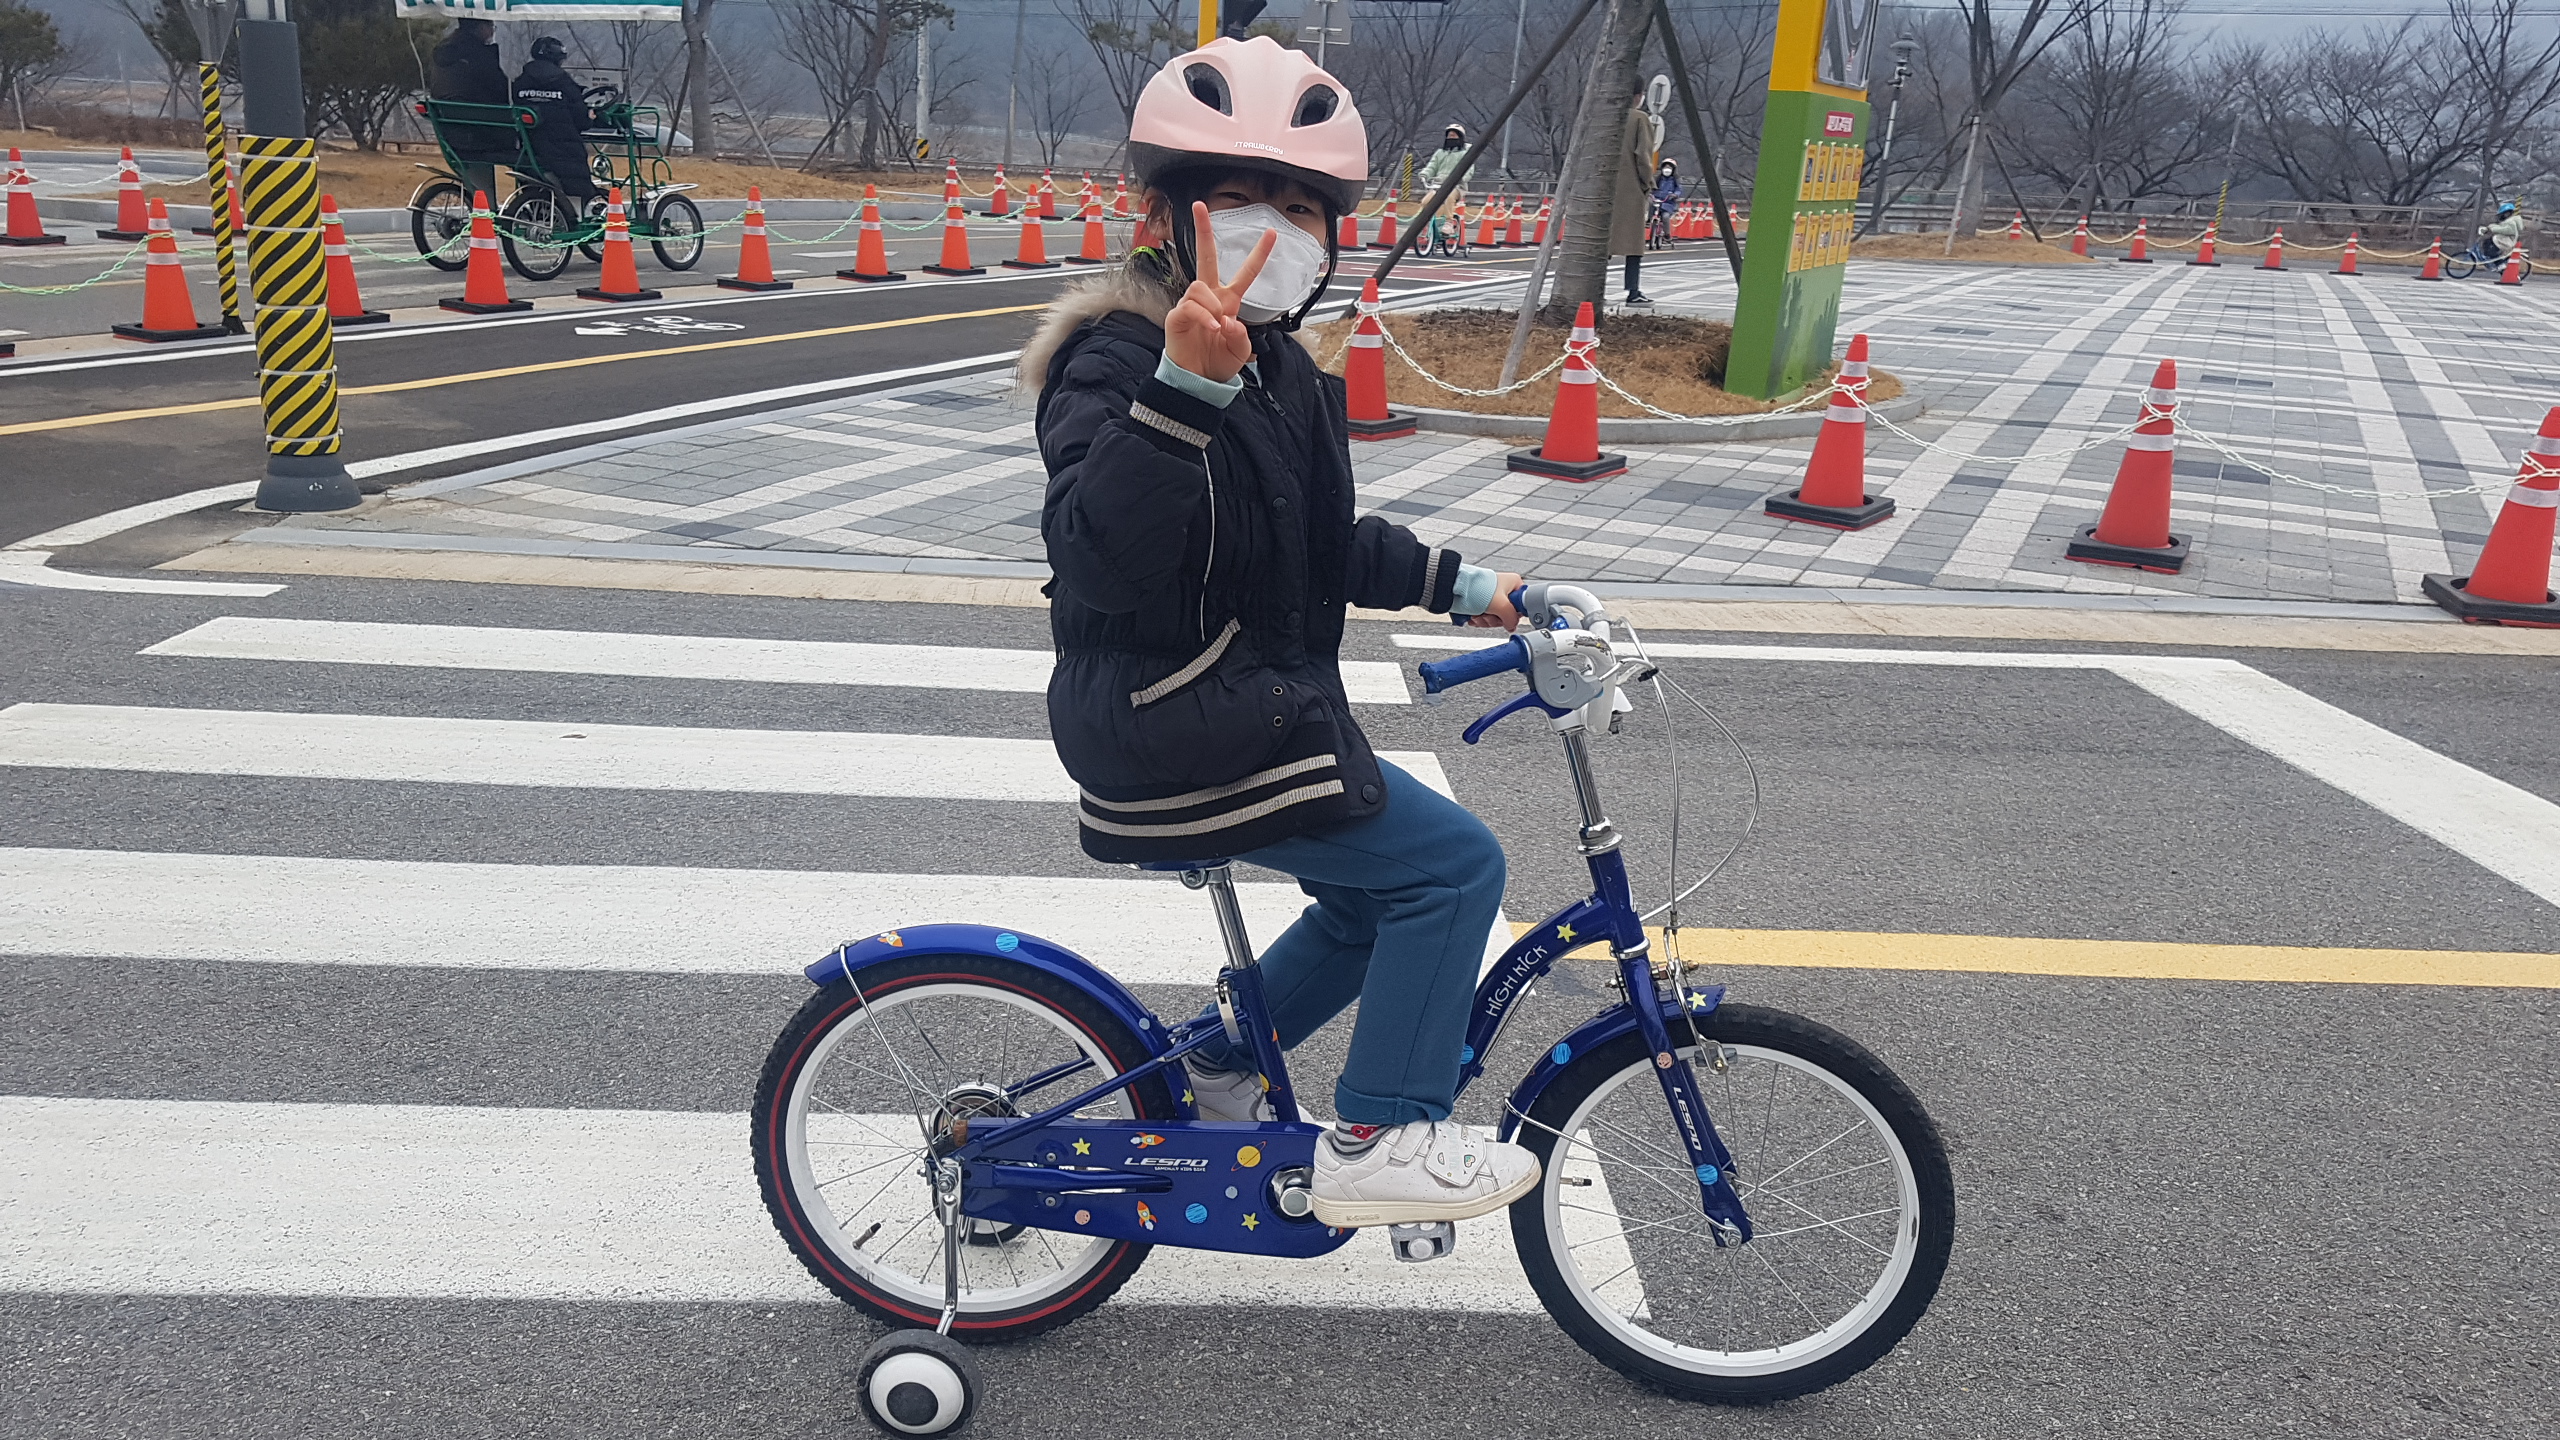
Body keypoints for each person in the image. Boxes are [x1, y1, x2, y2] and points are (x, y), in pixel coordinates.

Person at [1023, 35, 1543, 1228]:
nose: (1275, 228)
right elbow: (1097, 557)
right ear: (1163, 217)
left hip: (1246, 705)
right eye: (1237, 198)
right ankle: (1380, 1135)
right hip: (1168, 717)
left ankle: (1215, 1062)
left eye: (1301, 207)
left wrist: (1470, 585)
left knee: (1367, 902)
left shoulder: (1282, 369)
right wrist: (1182, 392)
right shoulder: (1114, 358)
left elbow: (1312, 539)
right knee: (1453, 868)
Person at [429, 18, 511, 204]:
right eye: (491, 27)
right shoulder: (480, 55)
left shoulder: (443, 54)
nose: (492, 31)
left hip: (450, 130)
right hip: (480, 133)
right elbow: (500, 89)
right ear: (480, 28)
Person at [513, 35, 601, 207]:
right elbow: (581, 121)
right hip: (564, 152)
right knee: (577, 176)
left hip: (530, 149)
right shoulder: (564, 82)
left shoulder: (520, 82)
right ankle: (577, 211)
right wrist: (590, 117)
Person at [1611, 85, 1656, 303]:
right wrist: (1647, 183)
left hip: (1601, 188)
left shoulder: (1604, 116)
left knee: (1602, 243)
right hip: (1630, 189)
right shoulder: (1639, 119)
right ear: (1638, 95)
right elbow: (1643, 156)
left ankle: (1593, 289)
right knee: (1634, 244)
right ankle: (1633, 290)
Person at [1417, 123, 1472, 254]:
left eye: (1454, 136)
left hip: (1457, 186)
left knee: (1449, 197)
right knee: (1425, 202)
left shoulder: (1465, 153)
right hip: (1438, 184)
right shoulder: (1440, 153)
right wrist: (1424, 174)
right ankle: (1429, 225)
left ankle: (1449, 222)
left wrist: (1461, 178)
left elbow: (1469, 170)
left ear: (1460, 137)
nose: (1450, 138)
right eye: (1449, 136)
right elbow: (1432, 166)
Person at [1651, 158, 1685, 249]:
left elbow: (1679, 189)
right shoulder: (1658, 178)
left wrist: (1675, 195)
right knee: (1651, 208)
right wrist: (1651, 193)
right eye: (1665, 167)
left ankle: (1667, 234)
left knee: (1665, 216)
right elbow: (1652, 187)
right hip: (1657, 200)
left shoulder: (1675, 180)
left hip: (1668, 203)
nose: (1667, 169)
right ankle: (1648, 222)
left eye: (1669, 167)